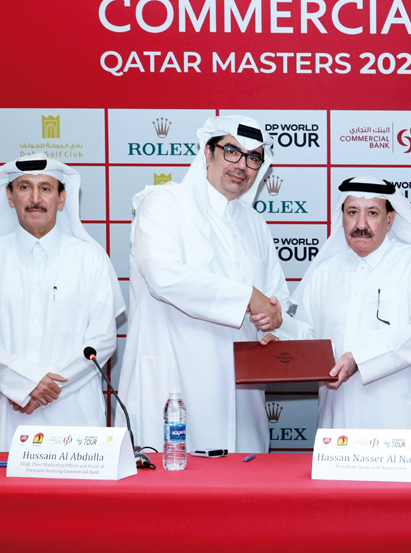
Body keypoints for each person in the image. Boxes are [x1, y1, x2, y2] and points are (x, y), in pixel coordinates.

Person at [120, 115, 291, 454]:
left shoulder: (255, 224)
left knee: (243, 499)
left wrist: (274, 321)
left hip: (241, 395)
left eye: (253, 157)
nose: (242, 165)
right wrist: (248, 298)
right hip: (173, 383)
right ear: (208, 153)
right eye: (232, 151)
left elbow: (276, 297)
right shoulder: (164, 204)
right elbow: (165, 278)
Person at [0, 154, 124, 451]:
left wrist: (42, 387)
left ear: (61, 199)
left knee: (77, 499)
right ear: (10, 196)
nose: (35, 198)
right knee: (6, 498)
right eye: (24, 188)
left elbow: (102, 341)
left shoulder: (91, 259)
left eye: (46, 188)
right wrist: (24, 383)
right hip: (8, 413)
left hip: (73, 414)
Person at [275, 176, 411, 430]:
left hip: (397, 420)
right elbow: (308, 337)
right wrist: (279, 324)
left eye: (372, 213)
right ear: (342, 217)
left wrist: (361, 360)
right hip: (337, 418)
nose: (361, 224)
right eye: (352, 212)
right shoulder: (325, 272)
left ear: (389, 219)